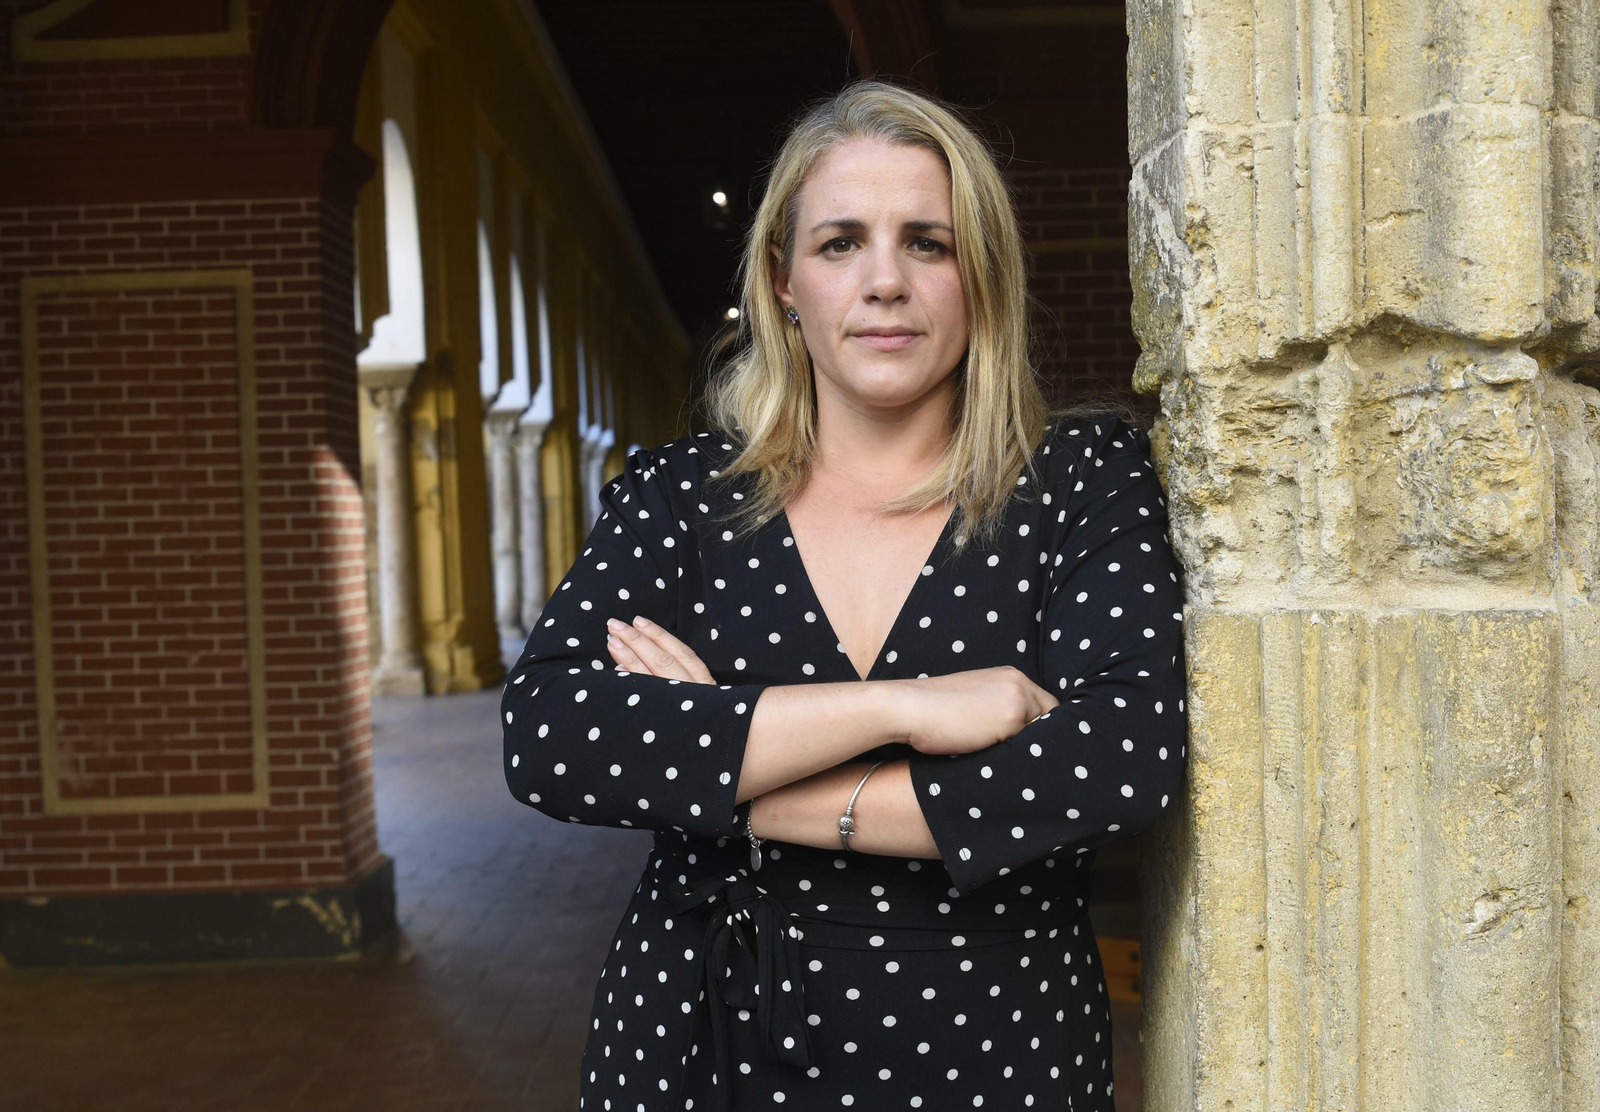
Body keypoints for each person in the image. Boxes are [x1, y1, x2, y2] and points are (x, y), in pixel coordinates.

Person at [501, 77, 1188, 1111]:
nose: (885, 282)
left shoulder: (1081, 479)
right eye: (840, 243)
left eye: (928, 243)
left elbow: (1120, 759)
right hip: (701, 1037)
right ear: (783, 279)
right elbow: (553, 733)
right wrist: (904, 706)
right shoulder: (682, 496)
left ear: (982, 274)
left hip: (995, 1046)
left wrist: (739, 784)